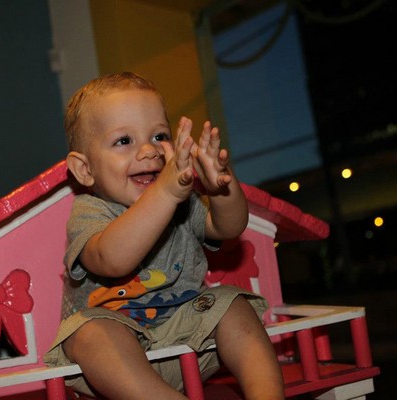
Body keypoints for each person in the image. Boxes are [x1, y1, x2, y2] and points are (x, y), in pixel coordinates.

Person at [44, 72, 284, 400]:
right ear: (85, 170)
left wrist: (220, 187)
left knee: (233, 304)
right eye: (124, 141)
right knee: (89, 332)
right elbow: (112, 260)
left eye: (159, 136)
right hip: (116, 366)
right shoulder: (90, 212)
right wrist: (166, 193)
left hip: (189, 344)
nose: (149, 150)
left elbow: (229, 227)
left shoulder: (181, 202)